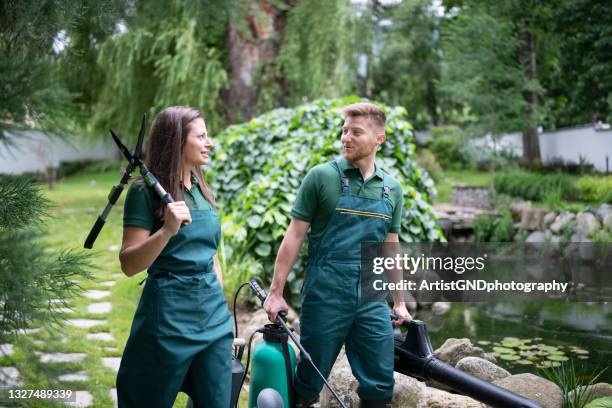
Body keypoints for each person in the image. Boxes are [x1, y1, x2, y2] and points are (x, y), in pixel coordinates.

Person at [264, 102, 412, 408]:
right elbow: (293, 236)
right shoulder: (321, 178)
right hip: (326, 293)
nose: (346, 137)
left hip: (372, 298)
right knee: (308, 378)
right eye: (344, 130)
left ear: (378, 139)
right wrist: (276, 292)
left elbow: (390, 247)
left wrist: (399, 302)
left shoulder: (391, 190)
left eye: (356, 132)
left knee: (380, 383)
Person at [116, 106, 233, 408]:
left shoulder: (202, 189)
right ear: (178, 141)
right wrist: (166, 231)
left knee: (217, 400)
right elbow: (129, 264)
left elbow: (212, 254)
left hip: (212, 315)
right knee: (147, 399)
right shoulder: (144, 193)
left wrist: (218, 302)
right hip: (166, 316)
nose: (210, 143)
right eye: (202, 136)